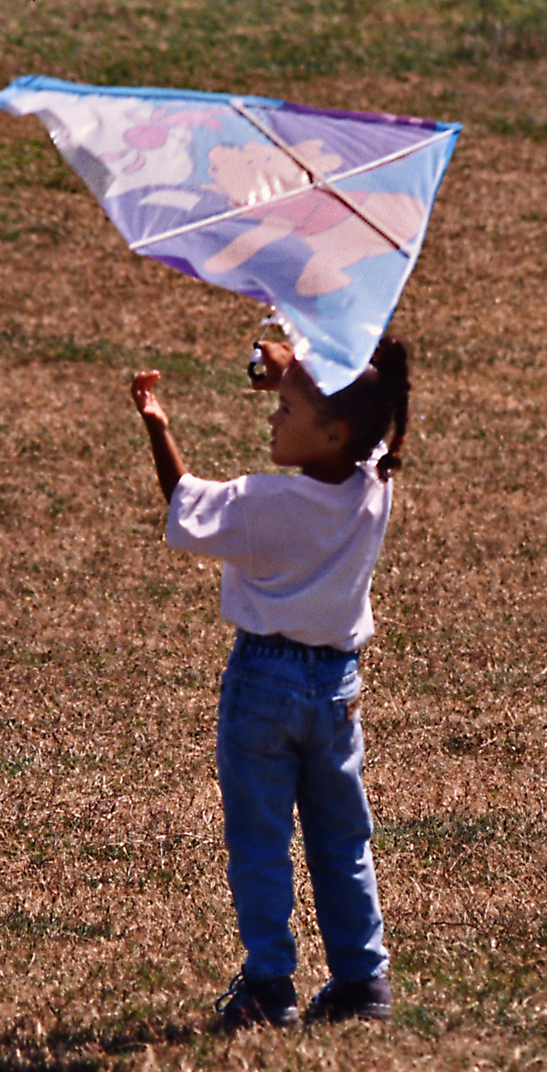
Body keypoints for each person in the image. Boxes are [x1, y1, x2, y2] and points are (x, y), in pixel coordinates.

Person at [130, 336, 410, 1030]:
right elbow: (364, 419)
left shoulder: (261, 505)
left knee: (260, 841)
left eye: (287, 409)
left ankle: (269, 985)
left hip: (261, 683)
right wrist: (294, 376)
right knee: (342, 840)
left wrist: (157, 424)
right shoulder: (373, 483)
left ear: (334, 431)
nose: (273, 417)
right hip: (337, 689)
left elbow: (185, 503)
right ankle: (362, 981)